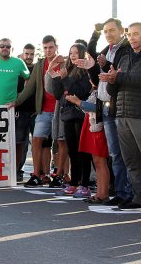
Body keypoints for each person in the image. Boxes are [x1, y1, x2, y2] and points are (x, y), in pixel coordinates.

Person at [104, 22, 141, 214]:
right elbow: (113, 88)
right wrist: (112, 80)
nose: (132, 38)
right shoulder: (124, 57)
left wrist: (119, 77)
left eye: (136, 34)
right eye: (129, 35)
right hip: (122, 114)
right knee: (131, 160)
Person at [88, 18, 133, 206]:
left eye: (111, 30)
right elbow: (97, 74)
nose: (108, 34)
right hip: (105, 108)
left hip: (121, 107)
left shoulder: (126, 49)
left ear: (122, 30)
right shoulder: (107, 50)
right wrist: (95, 34)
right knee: (114, 154)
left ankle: (128, 192)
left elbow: (119, 76)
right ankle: (120, 192)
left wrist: (106, 65)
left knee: (126, 153)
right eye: (105, 31)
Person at [11, 35, 63, 187]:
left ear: (56, 47)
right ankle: (37, 175)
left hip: (60, 110)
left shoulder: (65, 62)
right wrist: (16, 102)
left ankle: (59, 175)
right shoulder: (40, 64)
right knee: (37, 141)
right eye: (45, 48)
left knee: (60, 143)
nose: (48, 50)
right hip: (44, 110)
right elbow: (30, 86)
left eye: (51, 47)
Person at [50, 43, 92, 198]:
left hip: (81, 114)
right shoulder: (67, 70)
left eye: (76, 52)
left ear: (82, 54)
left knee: (83, 152)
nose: (73, 55)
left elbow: (79, 92)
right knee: (73, 151)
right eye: (71, 52)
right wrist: (56, 78)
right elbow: (58, 95)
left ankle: (85, 184)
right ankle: (74, 182)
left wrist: (66, 79)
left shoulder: (86, 71)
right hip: (67, 114)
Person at [15, 44, 38, 180]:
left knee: (37, 143)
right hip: (20, 111)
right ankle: (17, 171)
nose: (29, 57)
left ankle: (38, 173)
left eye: (31, 54)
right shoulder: (17, 68)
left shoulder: (37, 69)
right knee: (20, 143)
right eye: (27, 54)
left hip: (35, 111)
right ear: (23, 54)